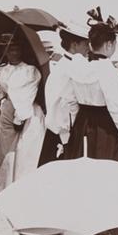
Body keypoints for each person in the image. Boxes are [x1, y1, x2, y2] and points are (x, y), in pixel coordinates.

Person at [62, 18, 118, 162]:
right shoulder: (112, 73)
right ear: (109, 44)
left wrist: (76, 127)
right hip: (104, 127)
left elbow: (71, 101)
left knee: (80, 167)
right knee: (104, 169)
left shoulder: (77, 69)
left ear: (90, 45)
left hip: (81, 123)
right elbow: (117, 109)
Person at [0, 33, 45, 194]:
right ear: (5, 51)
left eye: (17, 49)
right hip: (7, 109)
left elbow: (26, 94)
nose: (14, 52)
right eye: (10, 49)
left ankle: (20, 186)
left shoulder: (30, 70)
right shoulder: (2, 70)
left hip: (26, 111)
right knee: (5, 148)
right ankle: (5, 184)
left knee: (23, 150)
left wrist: (20, 116)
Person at [39, 23, 91, 166]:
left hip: (60, 130)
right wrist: (66, 137)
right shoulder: (71, 68)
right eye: (85, 44)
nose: (89, 47)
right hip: (64, 132)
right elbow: (64, 105)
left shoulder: (65, 65)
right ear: (74, 44)